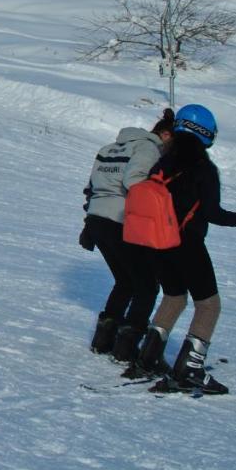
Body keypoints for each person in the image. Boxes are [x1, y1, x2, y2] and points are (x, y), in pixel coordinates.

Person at [129, 104, 236, 394]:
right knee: (209, 305)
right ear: (206, 134)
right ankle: (189, 369)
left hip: (157, 243)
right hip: (187, 244)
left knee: (175, 297)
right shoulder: (203, 168)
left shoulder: (162, 163)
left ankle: (148, 356)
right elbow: (212, 213)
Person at [79, 108, 175, 361]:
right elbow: (135, 181)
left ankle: (103, 341)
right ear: (165, 135)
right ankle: (126, 348)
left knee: (125, 281)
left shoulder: (109, 148)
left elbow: (90, 187)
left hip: (97, 220)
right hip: (120, 220)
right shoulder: (147, 149)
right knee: (146, 286)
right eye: (171, 144)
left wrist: (88, 224)